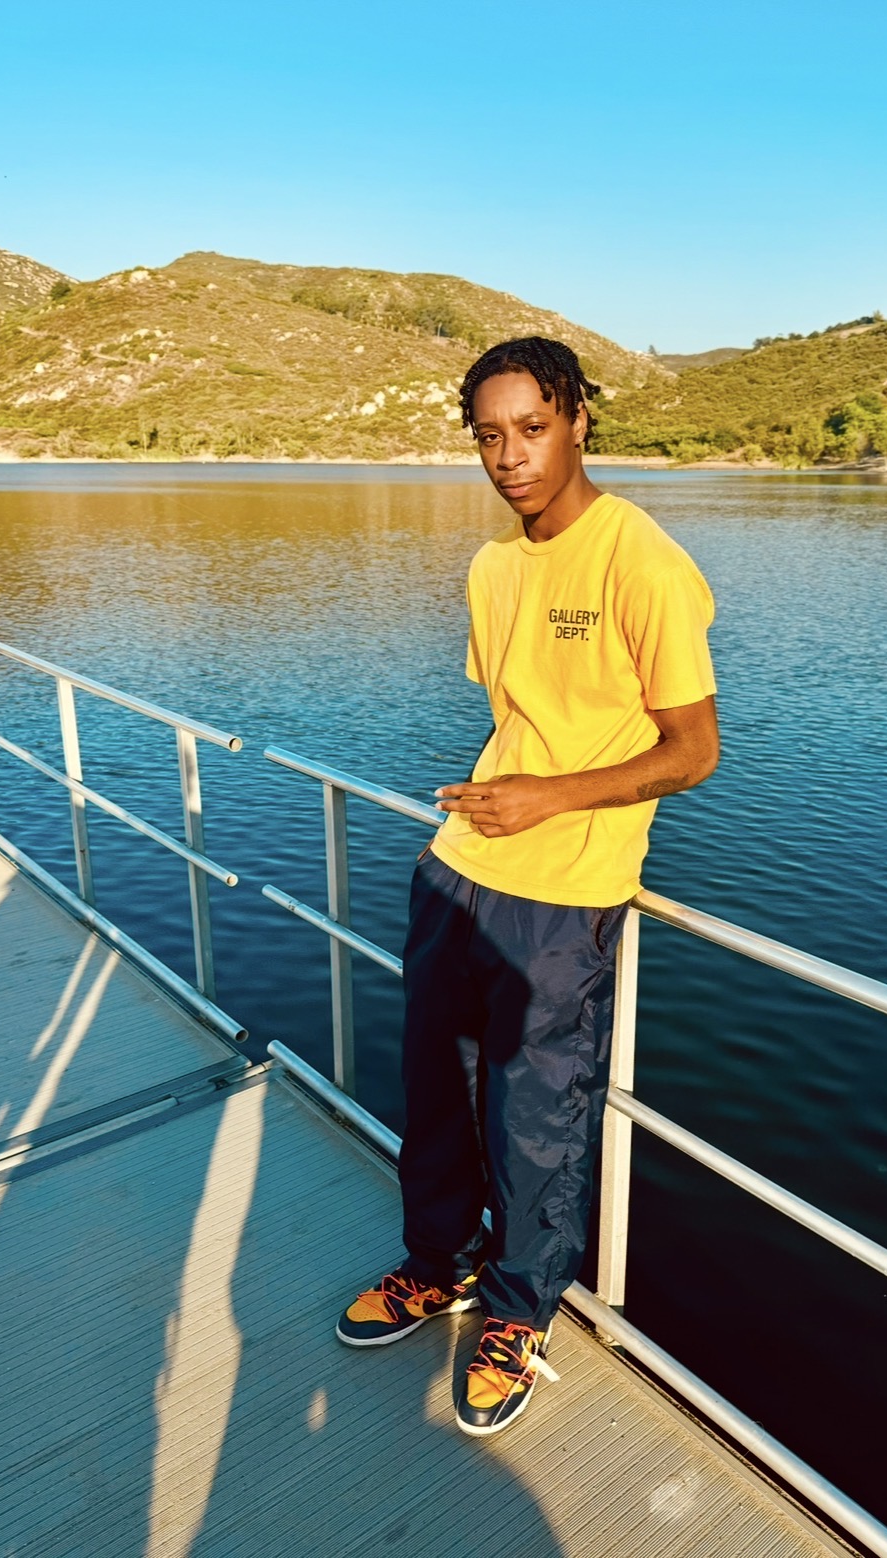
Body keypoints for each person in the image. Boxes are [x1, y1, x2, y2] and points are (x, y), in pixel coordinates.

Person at [337, 336, 720, 1437]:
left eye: (532, 428)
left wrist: (550, 798)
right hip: (458, 869)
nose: (510, 456)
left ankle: (515, 1311)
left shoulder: (640, 560)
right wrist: (502, 800)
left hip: (564, 893)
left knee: (535, 1117)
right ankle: (436, 1264)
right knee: (438, 1095)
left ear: (579, 421)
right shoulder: (494, 566)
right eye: (489, 436)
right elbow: (519, 716)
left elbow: (693, 749)